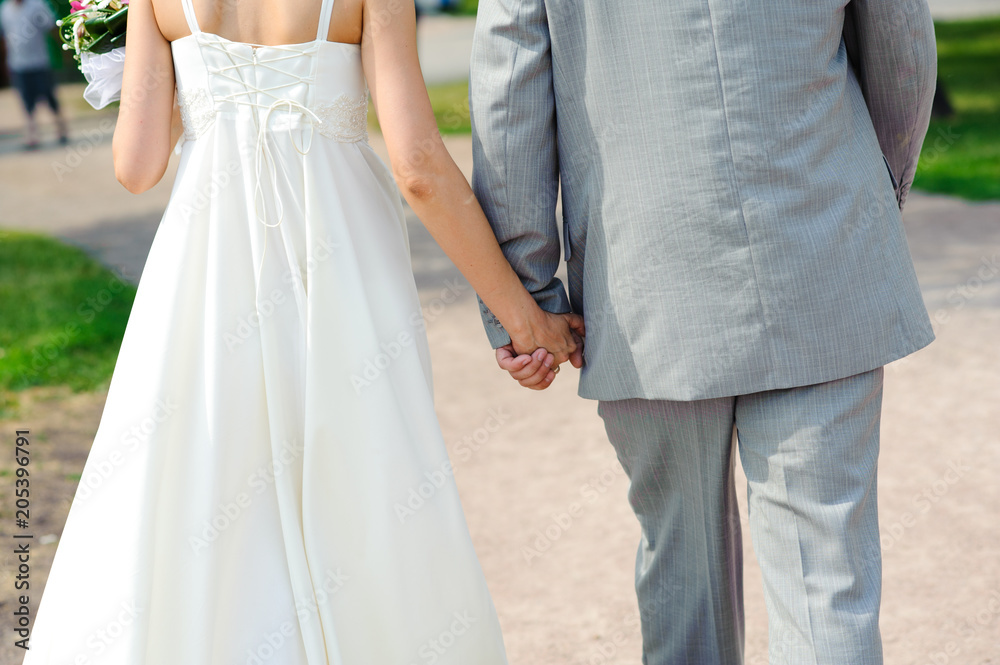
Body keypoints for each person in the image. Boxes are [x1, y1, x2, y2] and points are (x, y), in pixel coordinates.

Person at [20, 0, 582, 662]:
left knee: (212, 487)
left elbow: (137, 164)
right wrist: (525, 317)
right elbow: (419, 167)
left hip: (206, 273)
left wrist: (180, 75)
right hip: (339, 265)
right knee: (365, 482)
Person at [471, 0, 937, 663]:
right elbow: (902, 48)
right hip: (822, 243)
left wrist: (526, 298)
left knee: (682, 583)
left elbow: (508, 90)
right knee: (826, 583)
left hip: (644, 274)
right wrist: (869, 192)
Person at [0, 0, 68, 148]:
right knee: (26, 100)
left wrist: (64, 48)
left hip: (39, 61)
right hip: (17, 64)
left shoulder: (38, 5)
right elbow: (5, 37)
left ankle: (61, 129)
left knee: (50, 97)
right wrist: (5, 62)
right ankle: (32, 135)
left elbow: (52, 28)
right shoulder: (5, 9)